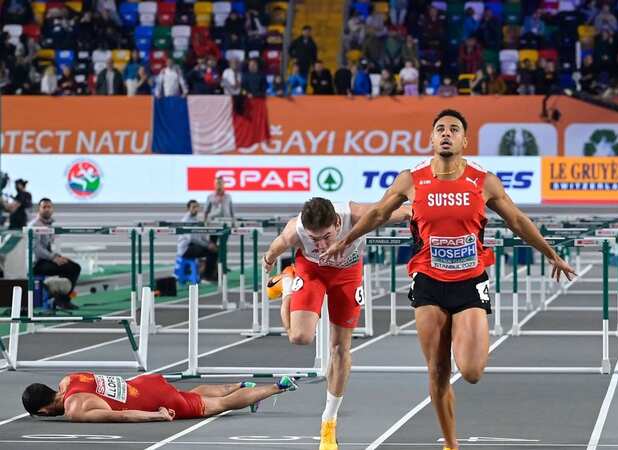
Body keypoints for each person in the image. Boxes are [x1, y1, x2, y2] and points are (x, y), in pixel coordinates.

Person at [322, 109, 576, 450]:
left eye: (453, 129)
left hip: (469, 282)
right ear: (430, 138)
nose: (446, 133)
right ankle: (451, 445)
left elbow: (517, 219)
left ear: (464, 140)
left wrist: (551, 253)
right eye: (440, 129)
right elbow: (379, 213)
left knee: (471, 371)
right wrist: (346, 239)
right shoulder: (411, 179)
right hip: (427, 281)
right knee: (438, 369)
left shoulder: (482, 180)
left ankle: (463, 340)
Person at [261, 198, 410, 450]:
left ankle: (328, 423)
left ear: (338, 223)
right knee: (299, 337)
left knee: (340, 349)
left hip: (348, 274)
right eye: (314, 239)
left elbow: (400, 212)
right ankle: (288, 283)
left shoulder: (357, 215)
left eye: (327, 237)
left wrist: (416, 212)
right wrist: (268, 261)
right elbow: (276, 248)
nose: (320, 245)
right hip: (312, 272)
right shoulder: (294, 230)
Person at [22, 372, 297, 422]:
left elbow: (123, 415)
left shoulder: (76, 409)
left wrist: (157, 414)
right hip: (146, 384)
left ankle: (278, 387)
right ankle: (242, 384)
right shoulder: (68, 380)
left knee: (216, 406)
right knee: (191, 393)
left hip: (154, 402)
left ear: (44, 411)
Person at [31, 198, 81, 310]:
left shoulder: (50, 225)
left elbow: (48, 247)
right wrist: (53, 258)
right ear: (39, 209)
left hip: (47, 259)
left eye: (49, 207)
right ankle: (60, 299)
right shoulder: (35, 225)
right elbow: (37, 249)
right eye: (44, 207)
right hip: (37, 263)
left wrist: (58, 256)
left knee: (74, 266)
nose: (47, 209)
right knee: (71, 268)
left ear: (52, 209)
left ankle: (59, 298)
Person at [178, 200, 218, 282]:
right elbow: (192, 239)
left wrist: (210, 243)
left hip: (193, 246)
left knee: (215, 249)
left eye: (197, 207)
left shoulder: (195, 220)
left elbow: (201, 236)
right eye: (193, 207)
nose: (196, 209)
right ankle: (206, 276)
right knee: (211, 251)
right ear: (188, 209)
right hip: (186, 249)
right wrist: (207, 246)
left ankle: (211, 273)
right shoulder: (186, 221)